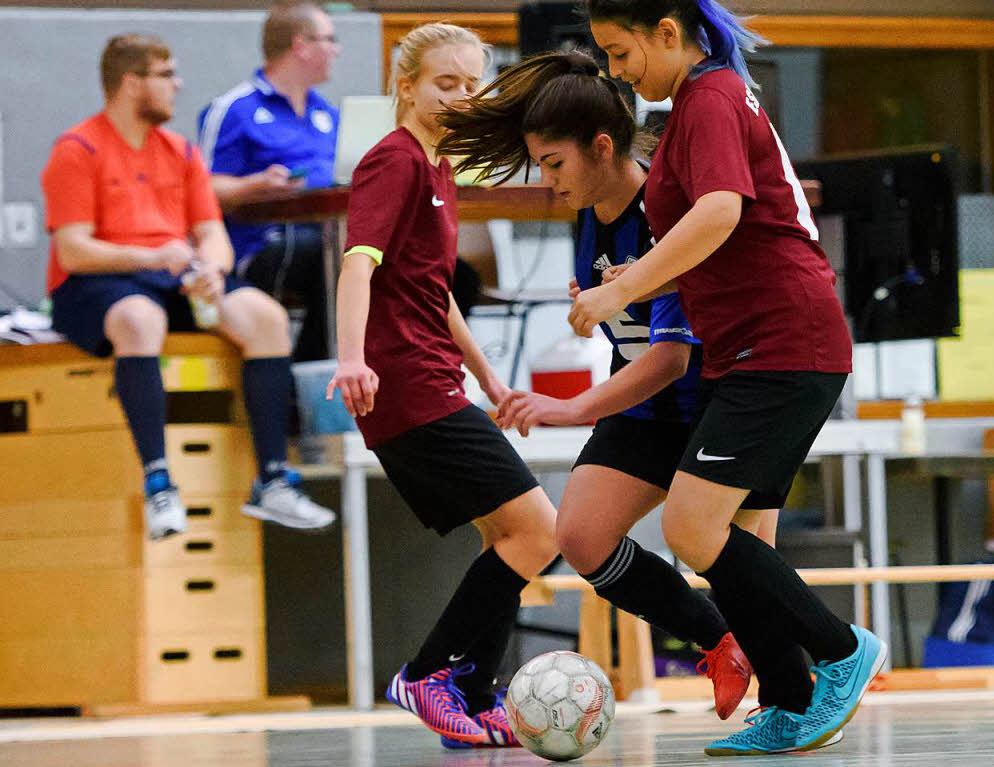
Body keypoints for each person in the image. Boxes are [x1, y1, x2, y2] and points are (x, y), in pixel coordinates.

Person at [561, 0, 886, 755]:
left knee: (689, 525)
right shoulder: (702, 100)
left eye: (620, 52)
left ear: (667, 32)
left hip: (783, 343)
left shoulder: (708, 97)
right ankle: (793, 699)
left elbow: (719, 212)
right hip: (744, 348)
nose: (616, 72)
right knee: (734, 535)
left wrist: (623, 287)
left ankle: (841, 649)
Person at [438, 50, 759, 721]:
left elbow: (671, 357)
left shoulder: (661, 209)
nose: (549, 181)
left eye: (555, 164)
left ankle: (819, 666)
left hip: (710, 401)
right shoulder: (586, 209)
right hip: (642, 402)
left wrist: (572, 406)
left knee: (753, 565)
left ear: (603, 146)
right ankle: (717, 640)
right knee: (581, 535)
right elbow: (633, 328)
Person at [327, 23, 558, 749]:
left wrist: (487, 373)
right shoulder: (392, 163)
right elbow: (357, 265)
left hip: (439, 377)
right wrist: (349, 357)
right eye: (444, 83)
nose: (459, 97)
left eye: (470, 84)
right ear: (406, 86)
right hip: (403, 384)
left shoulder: (441, 165)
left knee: (505, 534)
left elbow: (431, 289)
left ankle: (476, 699)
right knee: (541, 528)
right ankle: (428, 674)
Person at [42, 34, 335, 541]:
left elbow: (211, 233)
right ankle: (160, 483)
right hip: (97, 282)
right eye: (167, 74)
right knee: (141, 319)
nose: (179, 85)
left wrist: (212, 271)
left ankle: (271, 480)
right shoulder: (78, 148)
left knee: (264, 317)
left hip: (173, 274)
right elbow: (73, 249)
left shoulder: (179, 151)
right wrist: (154, 256)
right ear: (133, 83)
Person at [198, 1, 340, 362]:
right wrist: (254, 185)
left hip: (327, 235)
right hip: (261, 243)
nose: (336, 50)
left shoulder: (327, 113)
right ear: (301, 45)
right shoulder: (234, 109)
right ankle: (313, 380)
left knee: (378, 263)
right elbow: (201, 191)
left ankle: (322, 375)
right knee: (341, 265)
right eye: (330, 39)